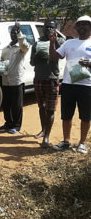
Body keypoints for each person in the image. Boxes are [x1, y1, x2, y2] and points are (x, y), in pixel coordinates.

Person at [50, 15, 91, 153]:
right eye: (80, 24)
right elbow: (55, 57)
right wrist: (52, 42)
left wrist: (90, 64)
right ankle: (66, 141)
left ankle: (82, 143)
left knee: (85, 116)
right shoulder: (68, 43)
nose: (82, 27)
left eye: (85, 24)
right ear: (77, 28)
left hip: (87, 86)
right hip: (68, 84)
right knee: (66, 115)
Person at [30, 20, 64, 147]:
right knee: (41, 106)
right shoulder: (37, 43)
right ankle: (43, 130)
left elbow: (60, 57)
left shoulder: (59, 41)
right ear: (43, 29)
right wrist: (36, 58)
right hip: (38, 78)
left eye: (51, 27)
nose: (49, 29)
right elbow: (32, 63)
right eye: (46, 27)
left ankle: (47, 138)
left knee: (50, 109)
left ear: (55, 29)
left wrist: (53, 42)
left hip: (52, 78)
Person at [0, 23, 30, 134]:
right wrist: (0, 65)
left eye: (15, 33)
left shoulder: (21, 48)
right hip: (6, 80)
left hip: (17, 80)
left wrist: (19, 33)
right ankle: (8, 123)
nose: (14, 34)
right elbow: (2, 61)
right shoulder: (5, 49)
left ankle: (16, 126)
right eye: (12, 32)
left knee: (17, 105)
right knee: (6, 104)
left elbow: (24, 45)